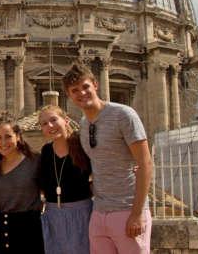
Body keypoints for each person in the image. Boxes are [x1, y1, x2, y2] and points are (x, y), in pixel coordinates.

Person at [63, 63, 153, 254]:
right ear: (69, 95)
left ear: (95, 84)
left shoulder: (124, 115)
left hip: (127, 209)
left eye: (85, 86)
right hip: (99, 212)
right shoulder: (84, 124)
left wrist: (137, 214)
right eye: (75, 90)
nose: (82, 93)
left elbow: (145, 163)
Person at [38, 105, 93, 253]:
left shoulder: (82, 146)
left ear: (66, 120)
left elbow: (100, 172)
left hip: (82, 215)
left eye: (53, 120)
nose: (49, 126)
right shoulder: (46, 151)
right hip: (53, 216)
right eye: (44, 123)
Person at [0, 113, 43, 254]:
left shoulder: (35, 161)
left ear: (18, 137)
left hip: (31, 232)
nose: (3, 142)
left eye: (8, 136)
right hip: (2, 231)